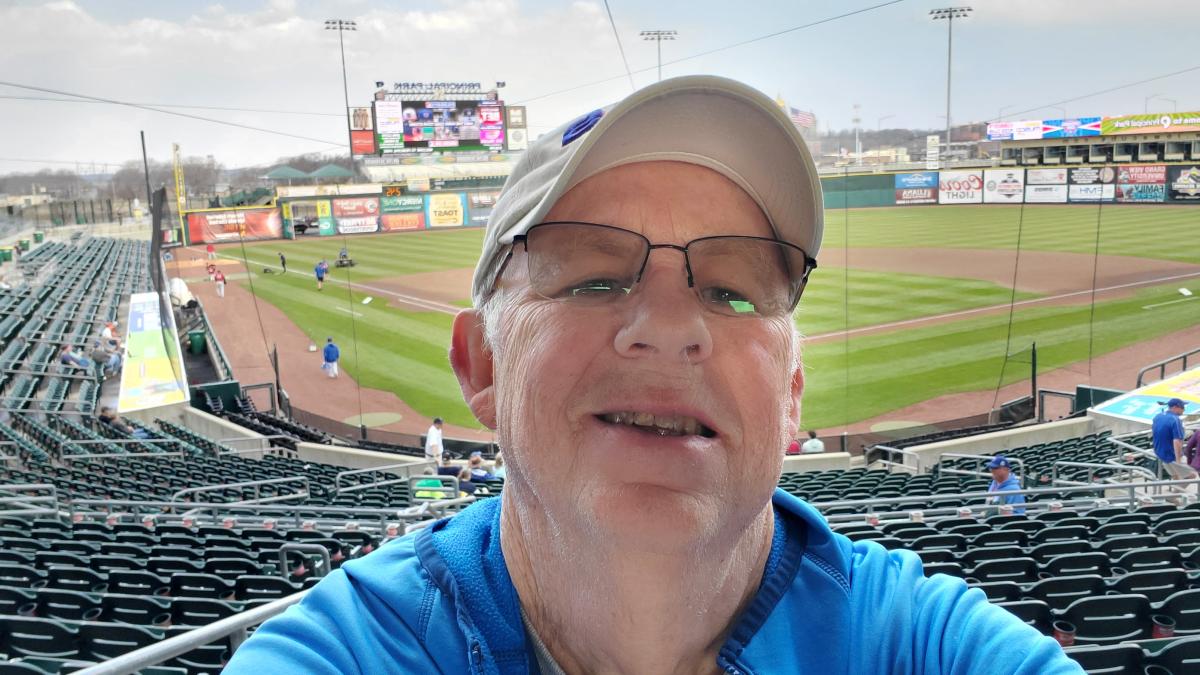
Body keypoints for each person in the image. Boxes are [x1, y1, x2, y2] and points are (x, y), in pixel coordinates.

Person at [226, 76, 1077, 674]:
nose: (671, 328)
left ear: (790, 397)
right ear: (481, 364)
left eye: (734, 289)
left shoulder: (918, 641)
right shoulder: (350, 650)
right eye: (593, 275)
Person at [1152, 398, 1193, 481]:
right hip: (1171, 455)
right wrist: (1178, 460)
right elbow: (1177, 441)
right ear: (1175, 407)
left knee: (1175, 475)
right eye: (1182, 407)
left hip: (1160, 453)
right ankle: (1176, 492)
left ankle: (1175, 492)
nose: (1184, 410)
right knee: (1192, 476)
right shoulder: (1175, 420)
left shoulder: (1158, 416)